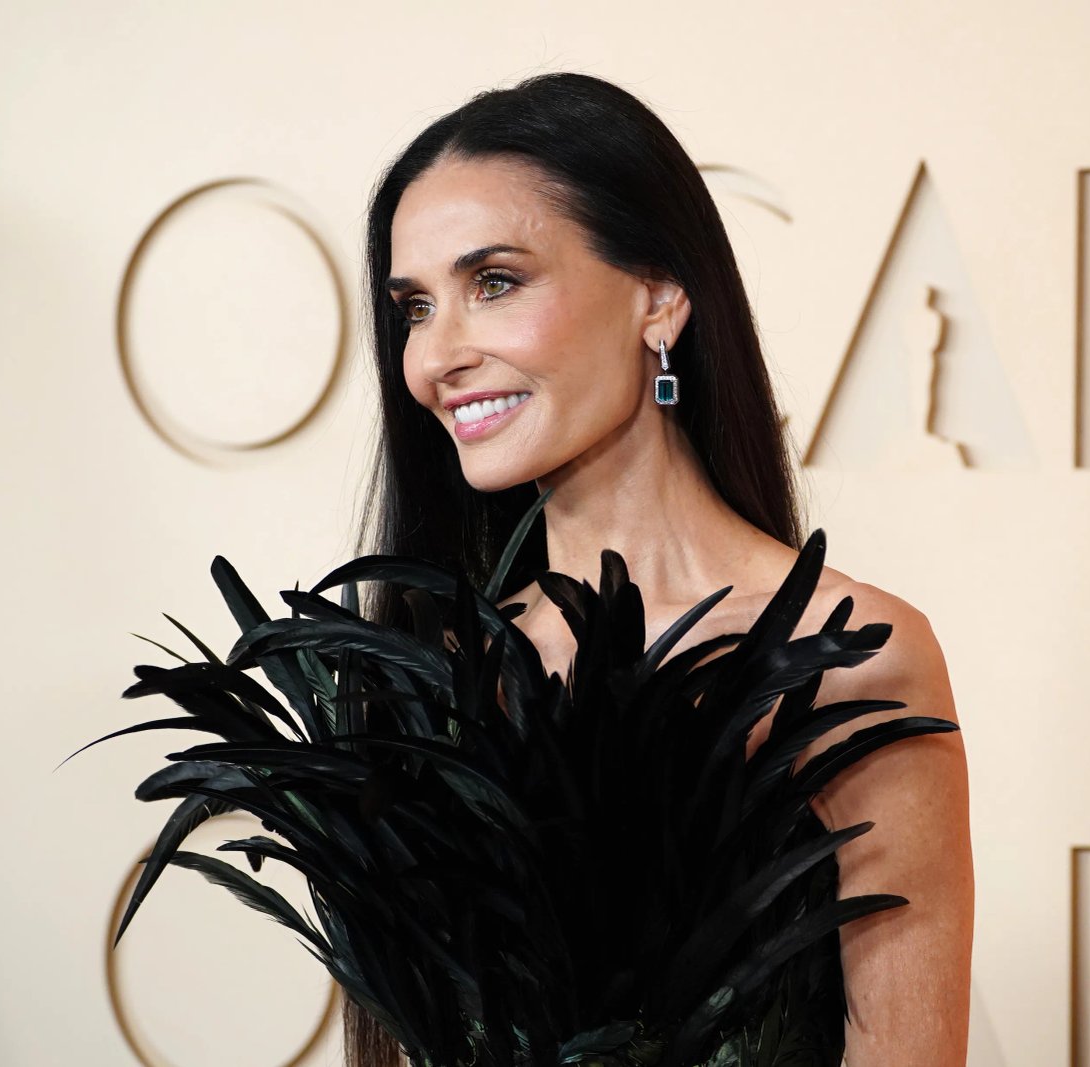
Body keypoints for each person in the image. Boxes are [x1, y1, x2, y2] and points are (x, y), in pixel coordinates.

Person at [347, 70, 973, 1067]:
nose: (433, 357)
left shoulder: (848, 656)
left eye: (493, 283)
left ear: (660, 295)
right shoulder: (434, 670)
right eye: (414, 307)